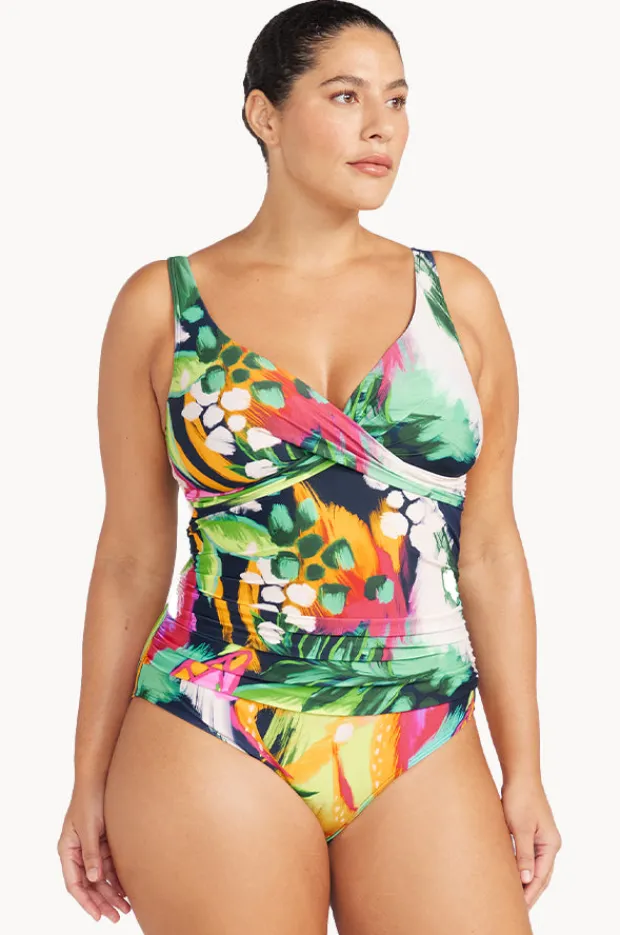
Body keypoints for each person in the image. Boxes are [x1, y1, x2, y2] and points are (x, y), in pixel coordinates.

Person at [57, 1, 562, 932]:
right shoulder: (161, 305)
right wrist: (85, 778)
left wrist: (524, 767)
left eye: (397, 100)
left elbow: (490, 548)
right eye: (345, 96)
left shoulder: (458, 298)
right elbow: (129, 556)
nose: (382, 127)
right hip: (213, 721)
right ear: (265, 114)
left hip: (421, 724)